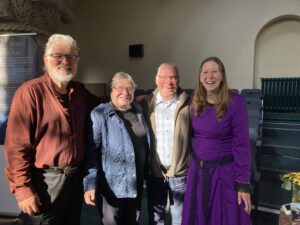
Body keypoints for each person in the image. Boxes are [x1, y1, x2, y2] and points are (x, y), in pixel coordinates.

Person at [4, 34, 101, 225]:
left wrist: (137, 99)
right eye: (58, 55)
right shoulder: (30, 92)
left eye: (71, 57)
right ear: (45, 59)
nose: (65, 61)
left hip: (75, 181)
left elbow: (105, 105)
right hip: (45, 183)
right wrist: (23, 188)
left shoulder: (80, 92)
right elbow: (16, 146)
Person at [181, 56, 252, 225]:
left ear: (222, 76)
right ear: (200, 77)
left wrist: (243, 185)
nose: (209, 76)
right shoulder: (194, 102)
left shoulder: (235, 102)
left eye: (214, 71)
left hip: (224, 174)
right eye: (205, 72)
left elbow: (242, 144)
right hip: (197, 173)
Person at [83, 72, 150, 225]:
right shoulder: (100, 114)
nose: (125, 93)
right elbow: (91, 153)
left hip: (135, 184)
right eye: (120, 87)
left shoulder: (138, 111)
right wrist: (90, 184)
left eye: (130, 88)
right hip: (112, 187)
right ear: (111, 90)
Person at [139, 63, 191, 225]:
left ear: (179, 79)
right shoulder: (145, 104)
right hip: (155, 172)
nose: (169, 82)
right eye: (164, 77)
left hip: (180, 172)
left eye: (173, 77)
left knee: (180, 218)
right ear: (156, 80)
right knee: (156, 217)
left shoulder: (190, 104)